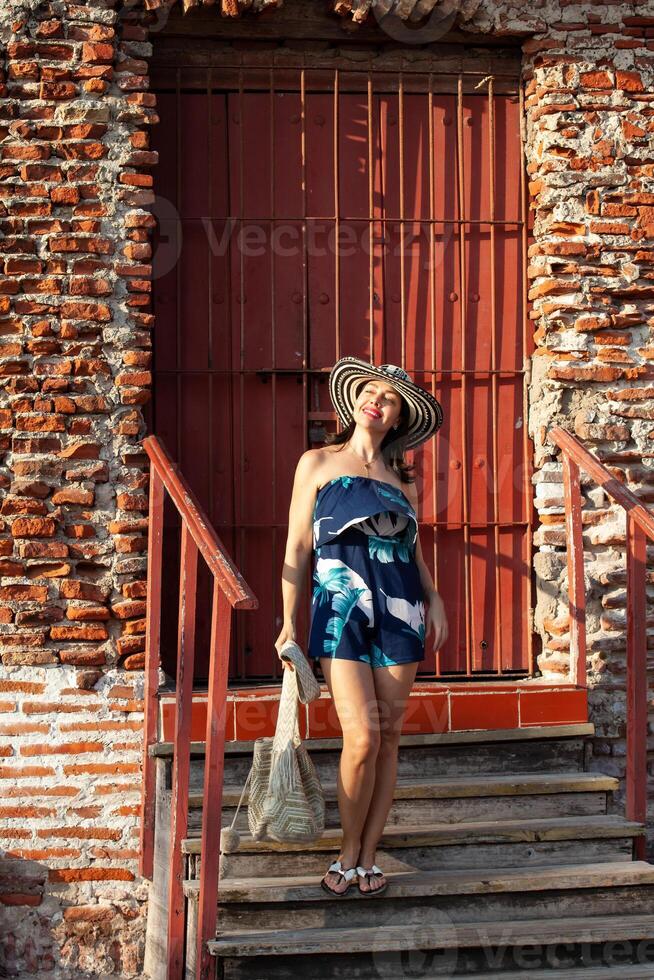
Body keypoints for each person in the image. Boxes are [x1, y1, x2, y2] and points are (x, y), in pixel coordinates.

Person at [274, 356, 448, 898]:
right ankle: (346, 851)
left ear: (397, 418)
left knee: (391, 737)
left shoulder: (403, 482)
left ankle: (370, 857)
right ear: (353, 402)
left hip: (401, 609)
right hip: (340, 607)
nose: (377, 401)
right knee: (363, 736)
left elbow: (411, 553)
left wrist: (436, 596)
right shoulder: (317, 463)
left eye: (389, 399)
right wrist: (287, 625)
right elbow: (298, 547)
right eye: (369, 392)